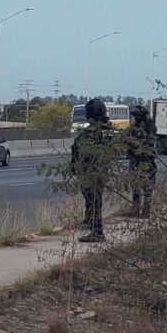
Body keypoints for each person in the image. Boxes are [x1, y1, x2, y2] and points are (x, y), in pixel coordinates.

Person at [71, 98, 114, 243]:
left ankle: (97, 231)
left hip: (92, 170)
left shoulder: (93, 132)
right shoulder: (105, 130)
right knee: (94, 199)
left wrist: (76, 165)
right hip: (98, 170)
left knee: (94, 199)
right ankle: (91, 223)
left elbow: (79, 148)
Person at [125, 105, 157, 218]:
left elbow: (150, 140)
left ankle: (146, 211)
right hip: (135, 161)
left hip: (146, 161)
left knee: (147, 187)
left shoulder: (149, 127)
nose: (134, 118)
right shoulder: (134, 128)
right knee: (135, 186)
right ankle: (136, 209)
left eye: (135, 116)